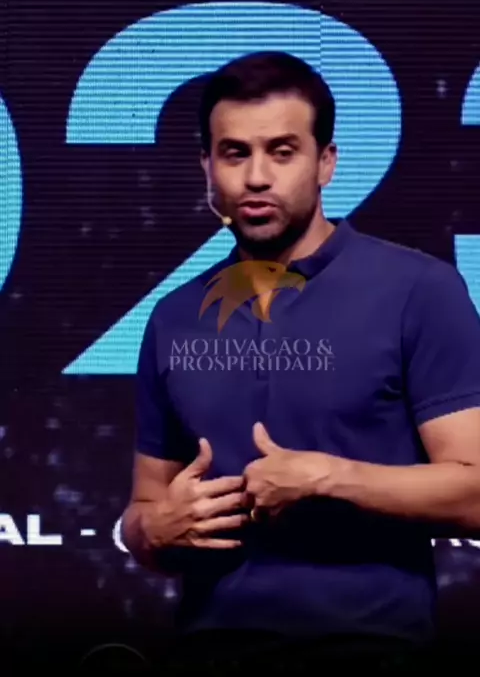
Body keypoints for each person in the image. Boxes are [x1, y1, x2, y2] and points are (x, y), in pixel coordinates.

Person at [121, 51, 480, 672]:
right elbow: (142, 512)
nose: (256, 177)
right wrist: (154, 530)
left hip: (373, 653)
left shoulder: (420, 291)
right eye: (235, 154)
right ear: (208, 168)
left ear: (326, 164)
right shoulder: (175, 317)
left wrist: (327, 478)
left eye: (282, 152)